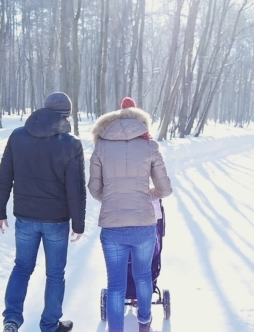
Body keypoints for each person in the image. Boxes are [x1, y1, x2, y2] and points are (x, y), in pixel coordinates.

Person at [0, 92, 86, 332]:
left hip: (25, 218)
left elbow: (4, 177)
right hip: (56, 221)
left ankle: (11, 320)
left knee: (22, 267)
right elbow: (75, 189)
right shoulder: (71, 144)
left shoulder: (18, 136)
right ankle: (50, 325)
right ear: (66, 115)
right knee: (55, 274)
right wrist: (78, 224)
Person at [88, 97, 172, 332]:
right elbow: (165, 189)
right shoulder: (149, 146)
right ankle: (144, 323)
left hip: (112, 228)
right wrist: (146, 195)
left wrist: (114, 198)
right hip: (144, 225)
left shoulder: (102, 145)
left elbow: (94, 188)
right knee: (144, 277)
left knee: (115, 284)